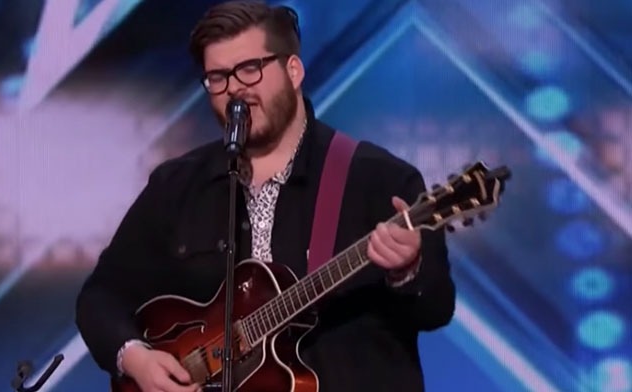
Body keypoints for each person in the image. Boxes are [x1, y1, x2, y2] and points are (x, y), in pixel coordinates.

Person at [76, 1, 456, 391]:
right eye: (218, 77)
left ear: (293, 70)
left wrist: (408, 268)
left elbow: (437, 309)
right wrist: (136, 358)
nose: (235, 89)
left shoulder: (378, 178)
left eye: (250, 69)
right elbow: (101, 295)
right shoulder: (177, 185)